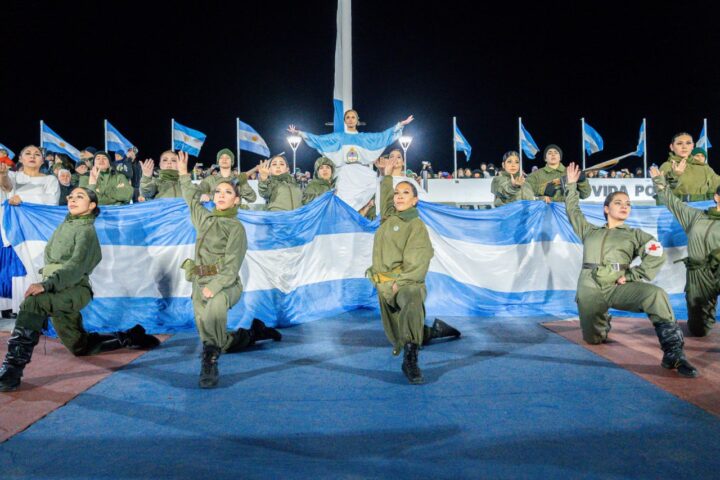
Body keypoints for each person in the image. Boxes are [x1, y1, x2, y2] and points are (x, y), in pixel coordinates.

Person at [0, 187, 159, 392]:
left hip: (75, 290)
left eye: (80, 197)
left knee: (33, 302)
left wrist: (46, 285)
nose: (72, 199)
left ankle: (11, 372)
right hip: (59, 288)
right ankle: (128, 337)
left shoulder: (86, 231)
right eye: (71, 196)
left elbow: (75, 268)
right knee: (80, 347)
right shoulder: (66, 225)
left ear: (92, 206)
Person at [564, 162, 697, 377]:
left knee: (656, 295)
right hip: (589, 288)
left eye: (627, 203)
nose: (625, 206)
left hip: (617, 285)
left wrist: (632, 275)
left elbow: (656, 252)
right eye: (618, 203)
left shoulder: (635, 234)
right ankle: (602, 321)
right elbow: (572, 210)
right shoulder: (589, 231)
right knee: (593, 340)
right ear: (606, 209)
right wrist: (570, 186)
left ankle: (674, 353)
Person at [176, 151, 280, 388]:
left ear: (236, 200)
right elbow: (191, 200)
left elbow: (232, 266)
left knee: (213, 319)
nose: (221, 195)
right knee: (214, 337)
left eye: (228, 192)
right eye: (218, 192)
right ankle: (253, 334)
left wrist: (214, 287)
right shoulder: (205, 219)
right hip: (199, 283)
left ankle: (209, 364)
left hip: (226, 284)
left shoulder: (236, 228)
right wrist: (183, 174)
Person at [367, 157, 461, 384]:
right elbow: (387, 199)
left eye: (405, 193)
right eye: (397, 193)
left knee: (410, 302)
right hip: (383, 286)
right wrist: (387, 176)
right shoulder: (389, 219)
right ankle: (436, 331)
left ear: (415, 201)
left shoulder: (415, 225)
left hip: (404, 285)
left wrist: (401, 284)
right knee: (398, 335)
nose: (399, 196)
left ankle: (411, 359)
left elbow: (418, 262)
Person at [288, 110, 414, 210]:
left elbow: (382, 136)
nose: (350, 119)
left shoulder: (363, 138)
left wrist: (399, 125)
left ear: (357, 120)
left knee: (374, 192)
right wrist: (300, 133)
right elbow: (319, 140)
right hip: (345, 173)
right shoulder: (338, 137)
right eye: (348, 117)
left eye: (353, 117)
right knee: (344, 202)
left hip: (361, 172)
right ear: (344, 120)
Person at [652, 165, 720, 337]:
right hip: (698, 274)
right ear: (716, 197)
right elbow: (671, 202)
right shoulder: (696, 216)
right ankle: (706, 316)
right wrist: (659, 181)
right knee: (699, 330)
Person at [0, 145, 61, 316]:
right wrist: (3, 175)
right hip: (14, 231)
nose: (32, 156)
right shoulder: (12, 175)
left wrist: (23, 199)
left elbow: (51, 202)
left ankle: (37, 307)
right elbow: (6, 189)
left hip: (37, 232)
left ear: (42, 160)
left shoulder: (50, 180)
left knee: (35, 265)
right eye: (28, 153)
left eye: (37, 154)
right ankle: (19, 308)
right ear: (20, 158)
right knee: (17, 267)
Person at [658, 133, 720, 203]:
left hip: (702, 208)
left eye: (688, 143)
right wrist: (674, 175)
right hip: (678, 209)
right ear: (672, 147)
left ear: (692, 146)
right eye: (679, 143)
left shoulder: (704, 167)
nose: (684, 147)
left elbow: (717, 184)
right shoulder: (667, 166)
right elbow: (662, 191)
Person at [526, 144, 591, 203]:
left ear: (560, 157)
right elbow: (526, 192)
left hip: (568, 212)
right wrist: (541, 195)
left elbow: (585, 195)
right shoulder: (535, 175)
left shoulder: (570, 172)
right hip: (544, 212)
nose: (553, 155)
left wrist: (582, 181)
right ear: (545, 158)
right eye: (549, 153)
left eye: (556, 153)